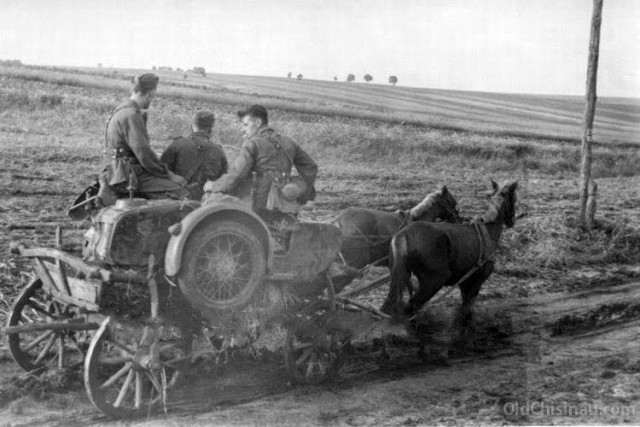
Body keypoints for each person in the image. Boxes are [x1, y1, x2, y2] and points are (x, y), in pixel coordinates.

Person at [203, 104, 318, 222]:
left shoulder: (252, 143)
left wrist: (214, 186)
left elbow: (237, 175)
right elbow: (310, 167)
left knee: (212, 204)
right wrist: (302, 195)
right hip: (284, 203)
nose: (242, 129)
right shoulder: (288, 142)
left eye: (245, 125)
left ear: (257, 122)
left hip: (257, 204)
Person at [102, 73, 189, 200]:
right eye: (153, 95)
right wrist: (169, 175)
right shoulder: (131, 115)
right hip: (126, 175)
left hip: (117, 169)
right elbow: (144, 154)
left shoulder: (120, 110)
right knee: (181, 192)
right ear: (150, 94)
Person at [161, 111, 228, 200]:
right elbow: (223, 181)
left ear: (192, 126)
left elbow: (161, 171)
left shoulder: (177, 145)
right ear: (210, 129)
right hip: (205, 204)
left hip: (178, 199)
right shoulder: (219, 151)